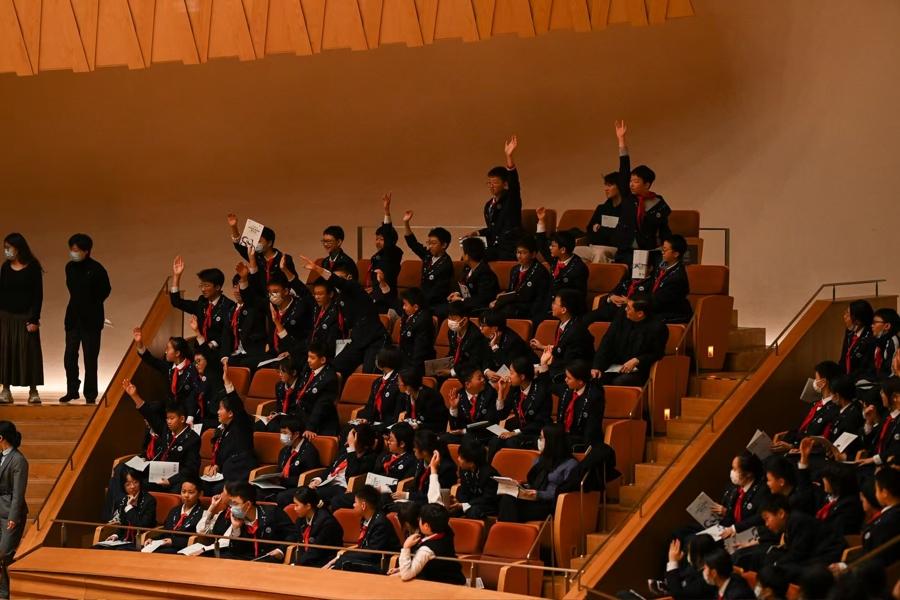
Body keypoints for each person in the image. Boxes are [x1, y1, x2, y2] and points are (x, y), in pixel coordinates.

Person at [300, 255, 388, 378]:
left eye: (338, 278)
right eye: (334, 277)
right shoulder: (339, 296)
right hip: (357, 340)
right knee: (332, 368)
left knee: (369, 373)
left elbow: (339, 282)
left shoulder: (355, 288)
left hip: (375, 340)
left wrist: (318, 269)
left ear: (349, 277)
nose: (335, 281)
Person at [123, 380, 201, 493]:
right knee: (123, 470)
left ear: (182, 419)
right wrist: (135, 396)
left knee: (173, 488)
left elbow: (190, 469)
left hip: (175, 480)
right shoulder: (166, 429)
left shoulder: (193, 439)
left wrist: (170, 480)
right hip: (157, 473)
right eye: (167, 418)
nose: (168, 421)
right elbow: (149, 415)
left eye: (172, 418)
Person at [61, 233, 111, 404]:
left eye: (76, 250)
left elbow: (105, 290)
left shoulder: (97, 269)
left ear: (86, 251)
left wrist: (91, 305)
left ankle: (90, 394)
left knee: (90, 358)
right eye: (72, 249)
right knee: (69, 356)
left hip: (91, 321)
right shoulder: (69, 267)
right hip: (73, 319)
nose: (73, 253)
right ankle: (72, 390)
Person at [614, 120, 672, 258]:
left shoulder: (658, 203)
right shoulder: (628, 196)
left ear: (646, 184)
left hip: (647, 251)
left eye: (636, 181)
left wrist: (667, 249)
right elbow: (624, 169)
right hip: (625, 250)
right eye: (630, 181)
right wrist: (621, 140)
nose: (631, 184)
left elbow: (664, 229)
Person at [498, 424, 578, 522]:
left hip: (550, 504)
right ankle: (506, 529)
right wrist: (522, 486)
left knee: (510, 508)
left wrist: (539, 494)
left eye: (541, 438)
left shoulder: (570, 464)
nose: (539, 440)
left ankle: (507, 529)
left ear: (551, 441)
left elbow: (565, 493)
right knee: (508, 498)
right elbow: (535, 483)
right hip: (534, 499)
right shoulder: (541, 459)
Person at [758, 494, 846, 580]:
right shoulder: (790, 523)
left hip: (829, 554)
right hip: (814, 556)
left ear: (781, 513)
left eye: (767, 518)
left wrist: (776, 564)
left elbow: (798, 554)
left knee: (786, 570)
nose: (766, 524)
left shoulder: (797, 521)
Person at [0, 233, 44, 404]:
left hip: (26, 316)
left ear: (18, 248)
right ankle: (5, 390)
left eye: (8, 247)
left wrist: (34, 318)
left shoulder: (33, 267)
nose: (6, 251)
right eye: (5, 248)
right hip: (6, 316)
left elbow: (38, 295)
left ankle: (33, 391)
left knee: (30, 352)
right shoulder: (5, 267)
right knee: (6, 351)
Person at [465, 135, 522, 261]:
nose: (491, 186)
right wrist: (477, 233)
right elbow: (494, 230)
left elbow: (514, 184)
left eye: (495, 183)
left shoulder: (511, 200)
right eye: (489, 183)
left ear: (505, 184)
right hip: (495, 248)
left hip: (510, 249)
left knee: (477, 259)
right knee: (468, 256)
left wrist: (509, 157)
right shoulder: (489, 205)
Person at [591, 295, 669, 386]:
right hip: (615, 365)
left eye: (628, 308)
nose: (625, 309)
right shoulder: (622, 316)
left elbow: (657, 353)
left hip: (639, 370)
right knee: (595, 378)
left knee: (620, 382)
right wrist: (597, 366)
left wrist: (638, 360)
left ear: (640, 314)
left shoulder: (658, 328)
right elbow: (607, 341)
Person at [202, 368, 257, 495]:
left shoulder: (241, 426)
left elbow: (238, 408)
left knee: (215, 490)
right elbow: (222, 455)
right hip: (224, 474)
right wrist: (216, 466)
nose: (217, 412)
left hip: (240, 476)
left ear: (231, 413)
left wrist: (228, 384)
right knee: (199, 486)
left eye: (221, 409)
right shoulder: (223, 429)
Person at [770, 361, 843, 453]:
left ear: (823, 382)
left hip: (807, 453)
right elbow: (804, 429)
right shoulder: (816, 404)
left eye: (816, 378)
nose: (814, 382)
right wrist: (786, 435)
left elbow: (822, 441)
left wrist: (792, 447)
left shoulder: (834, 409)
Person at [326, 484, 400, 573]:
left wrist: (343, 556)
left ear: (363, 505)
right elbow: (363, 548)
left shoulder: (380, 523)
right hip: (368, 560)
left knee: (344, 562)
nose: (353, 505)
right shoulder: (365, 519)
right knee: (341, 561)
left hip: (382, 565)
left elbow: (372, 554)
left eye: (355, 502)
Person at [170, 256, 236, 354]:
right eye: (201, 285)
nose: (203, 289)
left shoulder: (229, 306)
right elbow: (177, 302)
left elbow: (227, 334)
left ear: (217, 287)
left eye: (206, 285)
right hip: (199, 351)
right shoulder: (202, 302)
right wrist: (176, 276)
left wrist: (211, 345)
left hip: (217, 352)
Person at [133, 327, 200, 421]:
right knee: (151, 409)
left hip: (186, 413)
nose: (165, 351)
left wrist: (190, 416)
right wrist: (139, 343)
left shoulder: (192, 369)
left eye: (168, 348)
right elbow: (151, 360)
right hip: (170, 409)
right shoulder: (169, 367)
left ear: (177, 353)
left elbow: (194, 395)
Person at [489, 356, 552, 456]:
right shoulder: (515, 390)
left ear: (522, 377)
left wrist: (515, 432)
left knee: (511, 443)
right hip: (519, 432)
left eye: (511, 373)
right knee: (494, 441)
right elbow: (502, 415)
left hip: (535, 434)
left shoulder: (541, 391)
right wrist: (500, 393)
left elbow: (539, 423)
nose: (508, 376)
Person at [529, 289, 595, 383]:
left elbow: (569, 362)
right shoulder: (564, 324)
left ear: (563, 310)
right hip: (560, 367)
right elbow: (562, 348)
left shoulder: (577, 332)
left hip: (570, 374)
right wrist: (543, 348)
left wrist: (544, 367)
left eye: (555, 303)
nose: (552, 305)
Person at [797, 445, 863, 537]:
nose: (823, 483)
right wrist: (804, 460)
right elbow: (806, 490)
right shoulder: (825, 496)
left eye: (825, 480)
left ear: (835, 482)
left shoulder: (849, 505)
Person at [392, 503, 465, 585]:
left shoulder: (427, 549)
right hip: (453, 577)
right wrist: (400, 569)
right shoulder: (446, 529)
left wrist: (406, 547)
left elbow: (406, 575)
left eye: (420, 519)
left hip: (442, 585)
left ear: (426, 526)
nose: (418, 521)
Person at [309, 423, 379, 507]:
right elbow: (331, 468)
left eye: (353, 440)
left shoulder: (370, 458)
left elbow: (351, 474)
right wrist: (318, 479)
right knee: (303, 491)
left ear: (364, 444)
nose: (349, 442)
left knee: (310, 495)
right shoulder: (345, 451)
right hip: (328, 483)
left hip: (343, 488)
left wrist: (352, 449)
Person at [535, 209, 589, 314]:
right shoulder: (555, 259)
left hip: (568, 311)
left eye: (553, 246)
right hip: (551, 308)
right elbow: (541, 244)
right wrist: (541, 221)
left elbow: (579, 295)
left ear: (563, 250)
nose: (550, 248)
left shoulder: (579, 267)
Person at [401, 211, 453, 312]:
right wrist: (406, 223)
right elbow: (413, 244)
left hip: (435, 304)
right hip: (422, 299)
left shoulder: (446, 265)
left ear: (444, 245)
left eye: (433, 243)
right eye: (429, 243)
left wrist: (418, 303)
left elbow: (437, 292)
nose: (430, 246)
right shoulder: (428, 255)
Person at [549, 357, 605, 451]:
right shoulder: (567, 389)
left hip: (582, 439)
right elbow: (548, 386)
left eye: (569, 378)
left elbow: (591, 430)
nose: (566, 380)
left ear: (580, 381)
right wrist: (544, 365)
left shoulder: (594, 397)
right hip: (565, 435)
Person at [226, 481, 289, 562]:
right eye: (231, 503)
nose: (232, 508)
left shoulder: (273, 512)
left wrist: (280, 550)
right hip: (245, 562)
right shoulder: (235, 518)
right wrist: (236, 529)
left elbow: (293, 535)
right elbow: (235, 552)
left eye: (235, 503)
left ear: (248, 504)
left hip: (269, 560)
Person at [492, 236, 550, 322]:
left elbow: (540, 300)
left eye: (524, 253)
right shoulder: (515, 269)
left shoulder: (540, 272)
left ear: (533, 254)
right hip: (512, 307)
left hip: (528, 311)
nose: (519, 256)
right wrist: (501, 298)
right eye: (518, 252)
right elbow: (511, 291)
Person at [96, 467, 157, 549]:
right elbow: (123, 525)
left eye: (135, 482)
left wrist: (129, 507)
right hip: (123, 540)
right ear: (123, 486)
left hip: (139, 541)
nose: (133, 486)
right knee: (97, 548)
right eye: (128, 484)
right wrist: (116, 535)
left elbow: (141, 526)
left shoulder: (149, 500)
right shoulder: (124, 499)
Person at [226, 213, 293, 286]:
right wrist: (234, 227)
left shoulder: (284, 259)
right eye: (255, 241)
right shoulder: (255, 256)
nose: (255, 244)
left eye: (259, 241)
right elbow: (239, 245)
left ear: (269, 243)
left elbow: (293, 280)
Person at [268, 416, 321, 507]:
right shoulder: (284, 450)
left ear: (296, 434)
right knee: (258, 491)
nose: (282, 436)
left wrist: (282, 481)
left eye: (285, 433)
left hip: (299, 488)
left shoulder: (309, 451)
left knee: (282, 497)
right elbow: (280, 469)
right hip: (282, 485)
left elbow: (308, 478)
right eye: (281, 432)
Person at [0, 421, 27, 599]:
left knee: (4, 552)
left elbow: (18, 492)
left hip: (10, 512)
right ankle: (4, 592)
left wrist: (13, 517)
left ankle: (10, 590)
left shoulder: (18, 460)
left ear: (0, 438)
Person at [364, 193, 404, 314]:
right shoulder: (376, 257)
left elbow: (388, 236)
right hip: (376, 296)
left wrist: (387, 211)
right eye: (376, 239)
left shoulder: (394, 252)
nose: (378, 242)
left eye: (381, 239)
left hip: (387, 299)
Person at [143, 478, 204, 554]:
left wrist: (173, 542)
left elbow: (198, 540)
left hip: (184, 550)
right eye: (183, 491)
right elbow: (166, 531)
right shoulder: (175, 510)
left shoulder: (202, 513)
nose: (186, 495)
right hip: (166, 545)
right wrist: (153, 539)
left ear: (200, 494)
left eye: (190, 492)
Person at [443, 437, 499, 519]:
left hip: (486, 506)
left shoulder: (489, 474)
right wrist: (461, 503)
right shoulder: (463, 469)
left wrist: (466, 504)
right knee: (448, 510)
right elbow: (464, 490)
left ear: (472, 463)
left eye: (461, 458)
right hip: (470, 502)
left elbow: (488, 498)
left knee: (473, 511)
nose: (458, 459)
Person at [394, 433, 456, 506]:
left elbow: (435, 496)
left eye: (415, 447)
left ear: (425, 451)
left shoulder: (447, 468)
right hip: (417, 501)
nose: (413, 449)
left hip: (432, 505)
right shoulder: (422, 461)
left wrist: (407, 495)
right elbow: (415, 487)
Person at [585, 171, 635, 262]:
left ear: (620, 187)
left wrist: (600, 229)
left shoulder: (626, 210)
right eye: (605, 185)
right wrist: (606, 231)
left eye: (610, 185)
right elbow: (590, 230)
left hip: (615, 249)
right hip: (595, 245)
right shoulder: (602, 208)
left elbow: (620, 236)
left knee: (599, 253)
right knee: (576, 251)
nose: (606, 189)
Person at [294, 343, 341, 437]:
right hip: (301, 415)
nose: (308, 360)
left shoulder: (329, 378)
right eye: (308, 357)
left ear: (323, 360)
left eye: (312, 358)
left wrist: (310, 428)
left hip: (320, 422)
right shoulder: (308, 369)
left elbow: (321, 406)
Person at [446, 366, 501, 443]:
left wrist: (465, 431)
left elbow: (489, 423)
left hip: (484, 435)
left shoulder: (490, 393)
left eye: (482, 377)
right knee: (444, 438)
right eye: (479, 378)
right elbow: (455, 428)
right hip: (464, 437)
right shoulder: (458, 396)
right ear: (468, 384)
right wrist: (453, 408)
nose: (483, 379)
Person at [291, 486, 343, 567]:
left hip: (326, 563)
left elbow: (316, 551)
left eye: (297, 505)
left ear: (308, 506)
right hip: (307, 561)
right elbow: (297, 541)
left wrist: (297, 564)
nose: (294, 508)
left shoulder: (327, 523)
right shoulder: (300, 520)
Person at [447, 237, 499, 316]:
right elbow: (462, 283)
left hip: (479, 309)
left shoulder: (485, 273)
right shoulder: (467, 268)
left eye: (463, 252)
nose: (462, 256)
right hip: (467, 305)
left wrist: (462, 300)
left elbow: (482, 299)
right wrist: (456, 293)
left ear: (467, 256)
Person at [657, 534, 717, 600]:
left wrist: (672, 562)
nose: (687, 554)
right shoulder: (701, 566)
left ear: (698, 557)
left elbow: (679, 595)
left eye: (689, 551)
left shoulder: (706, 579)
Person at [856, 377, 900, 468]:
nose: (881, 395)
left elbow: (896, 449)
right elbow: (869, 442)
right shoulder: (887, 416)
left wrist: (874, 459)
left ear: (895, 397)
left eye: (883, 392)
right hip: (874, 464)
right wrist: (869, 422)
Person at [357, 346, 402, 426]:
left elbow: (397, 412)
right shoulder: (377, 382)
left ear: (384, 361)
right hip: (373, 422)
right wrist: (365, 419)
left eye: (377, 358)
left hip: (389, 424)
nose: (376, 361)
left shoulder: (399, 382)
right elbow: (370, 405)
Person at [443, 302, 490, 377]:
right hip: (455, 367)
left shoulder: (476, 336)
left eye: (453, 319)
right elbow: (453, 352)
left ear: (464, 320)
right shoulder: (451, 332)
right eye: (449, 318)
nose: (450, 321)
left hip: (469, 372)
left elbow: (473, 362)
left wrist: (452, 372)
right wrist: (443, 364)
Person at [480, 311, 532, 378]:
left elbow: (510, 366)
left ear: (495, 328)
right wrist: (487, 371)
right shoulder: (487, 336)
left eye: (483, 326)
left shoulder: (513, 341)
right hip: (500, 372)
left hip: (520, 373)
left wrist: (494, 347)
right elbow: (484, 358)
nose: (480, 328)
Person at [396, 368, 447, 434]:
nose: (397, 384)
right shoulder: (407, 394)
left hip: (428, 433)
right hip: (414, 430)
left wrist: (419, 426)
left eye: (399, 382)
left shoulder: (432, 397)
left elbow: (439, 425)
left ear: (408, 384)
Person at [397, 288, 436, 373]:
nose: (403, 307)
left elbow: (420, 350)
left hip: (417, 366)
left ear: (416, 307)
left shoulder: (423, 320)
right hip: (405, 361)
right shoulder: (407, 316)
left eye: (405, 304)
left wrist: (411, 371)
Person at [307, 278, 347, 357]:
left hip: (327, 355)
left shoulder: (336, 312)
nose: (317, 297)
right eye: (315, 294)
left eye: (320, 294)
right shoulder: (316, 308)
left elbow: (331, 343)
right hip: (313, 351)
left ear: (331, 294)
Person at [840, 300, 875, 382]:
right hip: (847, 378)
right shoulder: (849, 332)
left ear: (857, 320)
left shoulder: (871, 337)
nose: (844, 316)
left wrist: (847, 380)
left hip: (860, 380)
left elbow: (865, 367)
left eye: (848, 314)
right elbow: (843, 359)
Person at [870, 307, 900, 381]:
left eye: (875, 322)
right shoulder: (877, 341)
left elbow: (891, 371)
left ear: (887, 326)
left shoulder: (893, 341)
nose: (872, 325)